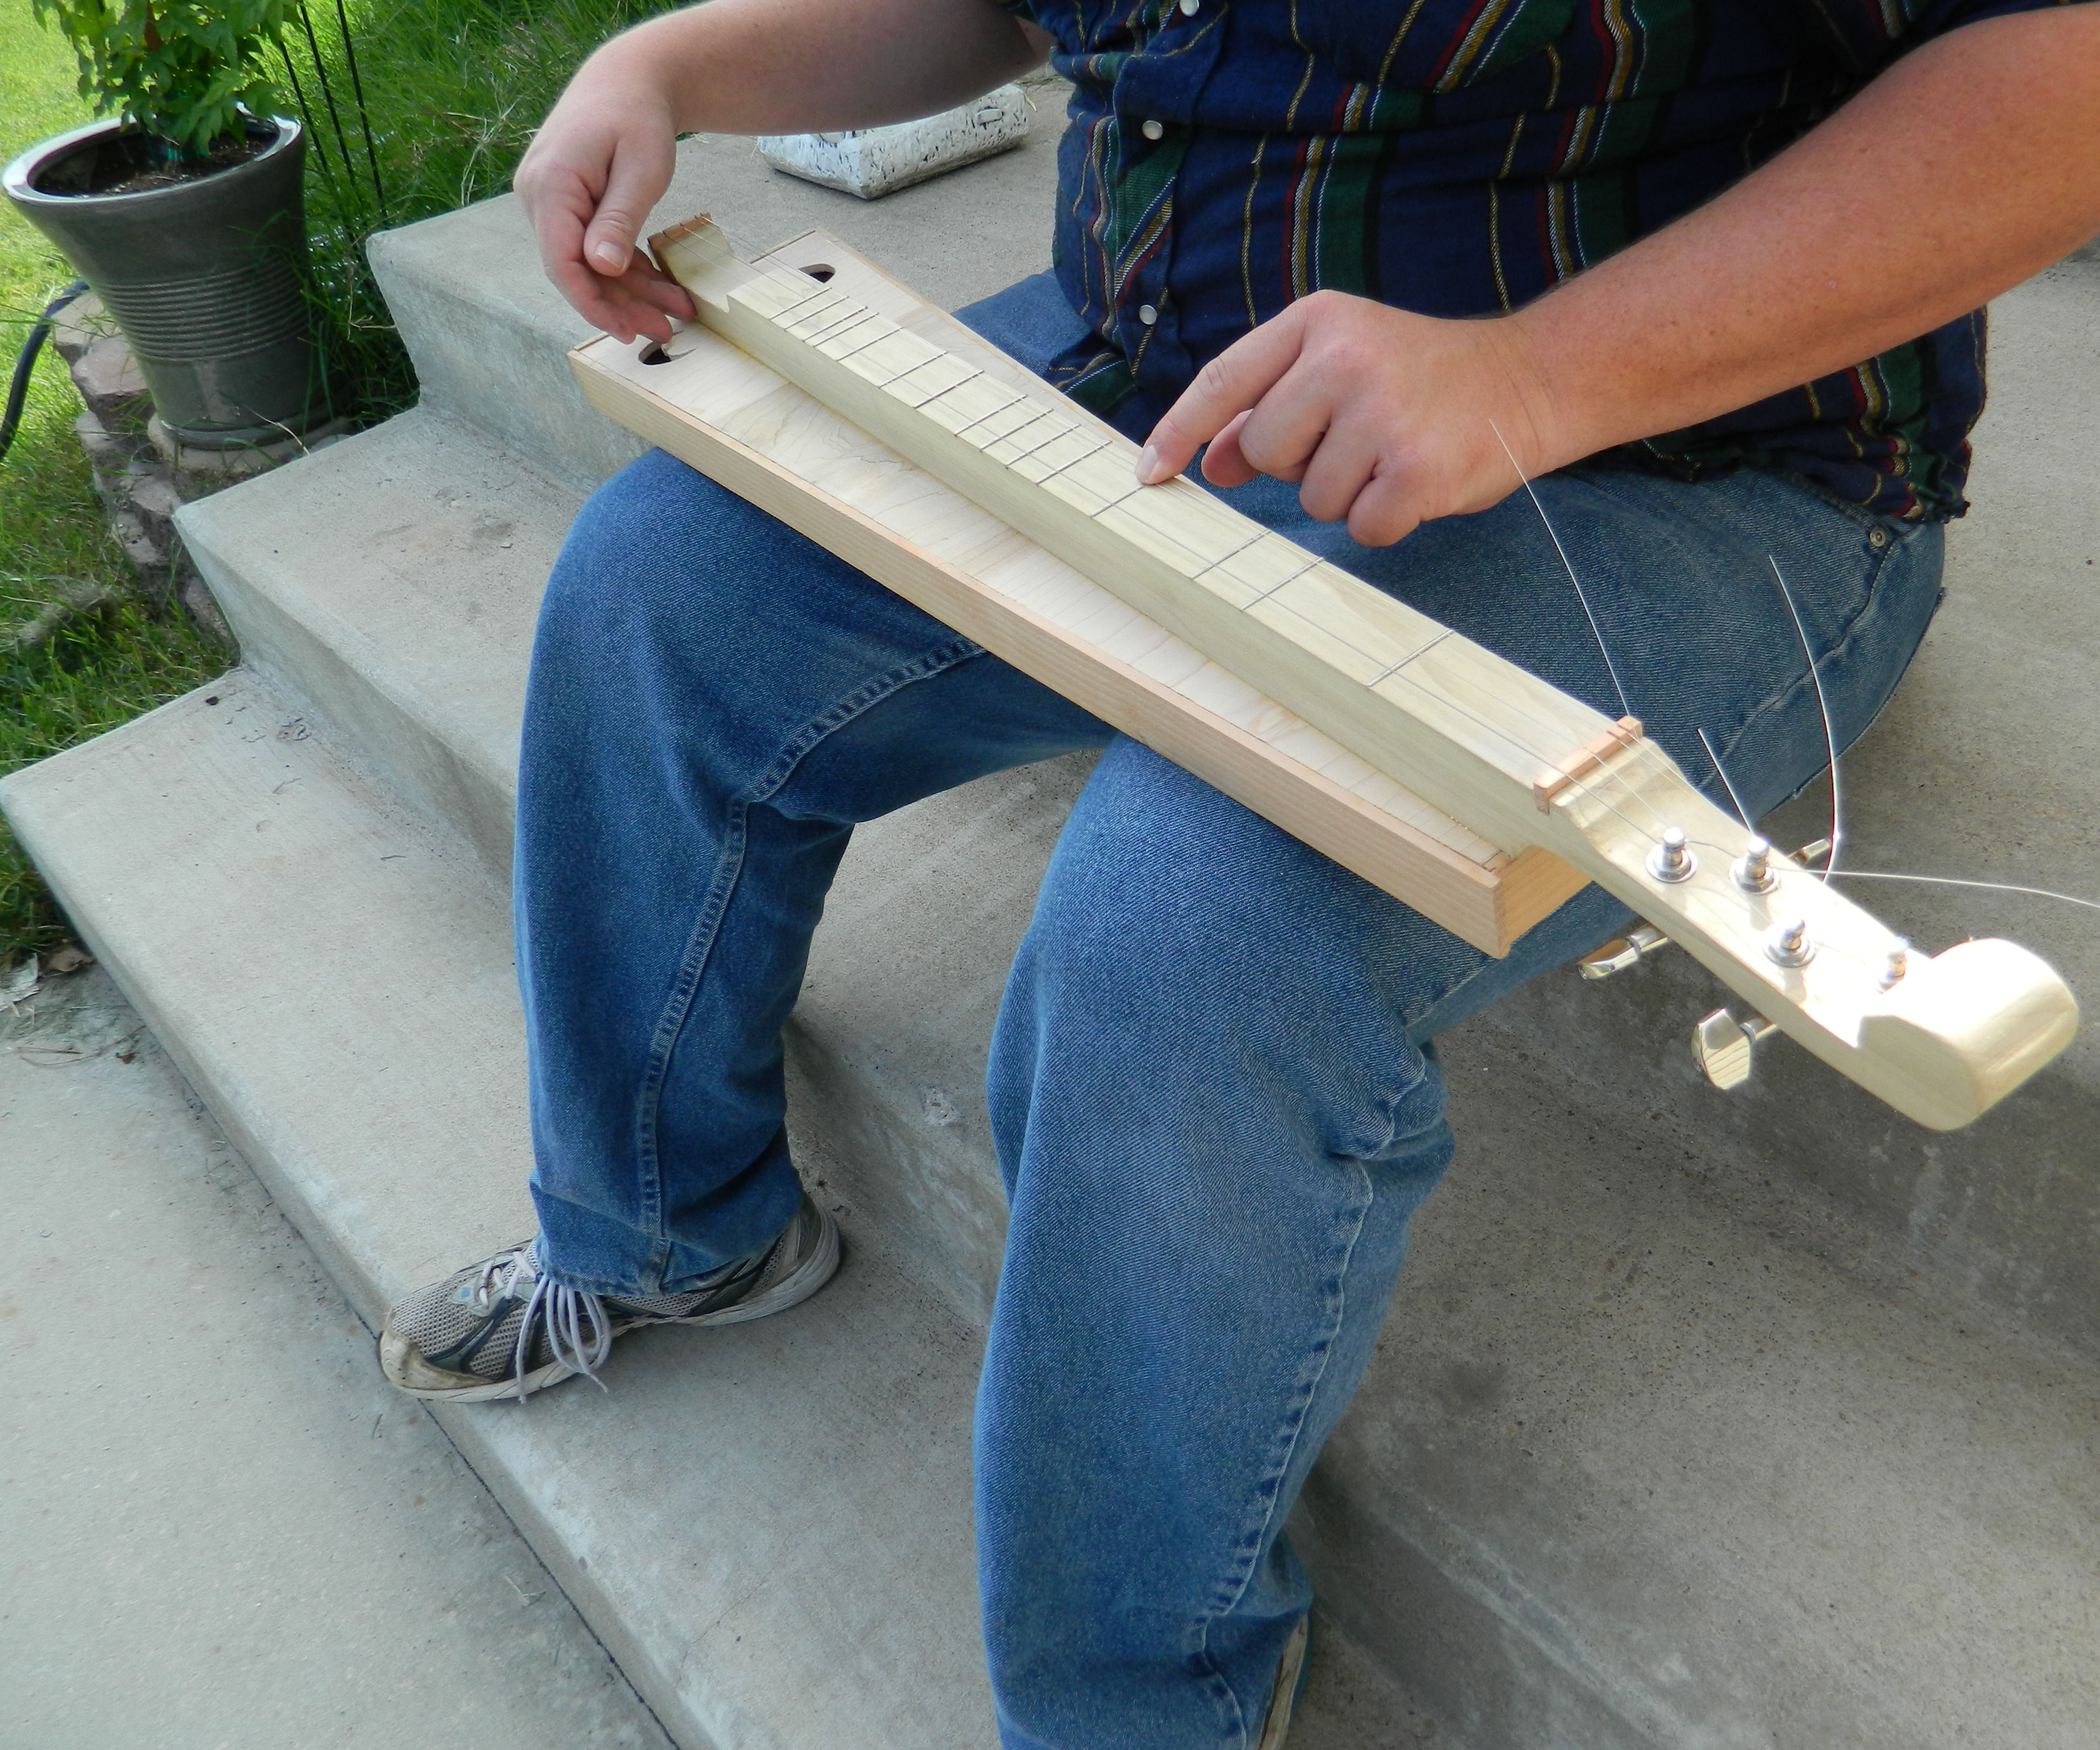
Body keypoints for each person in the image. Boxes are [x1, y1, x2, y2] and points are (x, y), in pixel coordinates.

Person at [374, 2, 2100, 1744]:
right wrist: (671, 67)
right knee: (657, 588)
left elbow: (2063, 79)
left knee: (1187, 930)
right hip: (1171, 362)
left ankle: (1137, 1702)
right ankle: (674, 1232)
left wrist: (1531, 374)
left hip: (1674, 448)